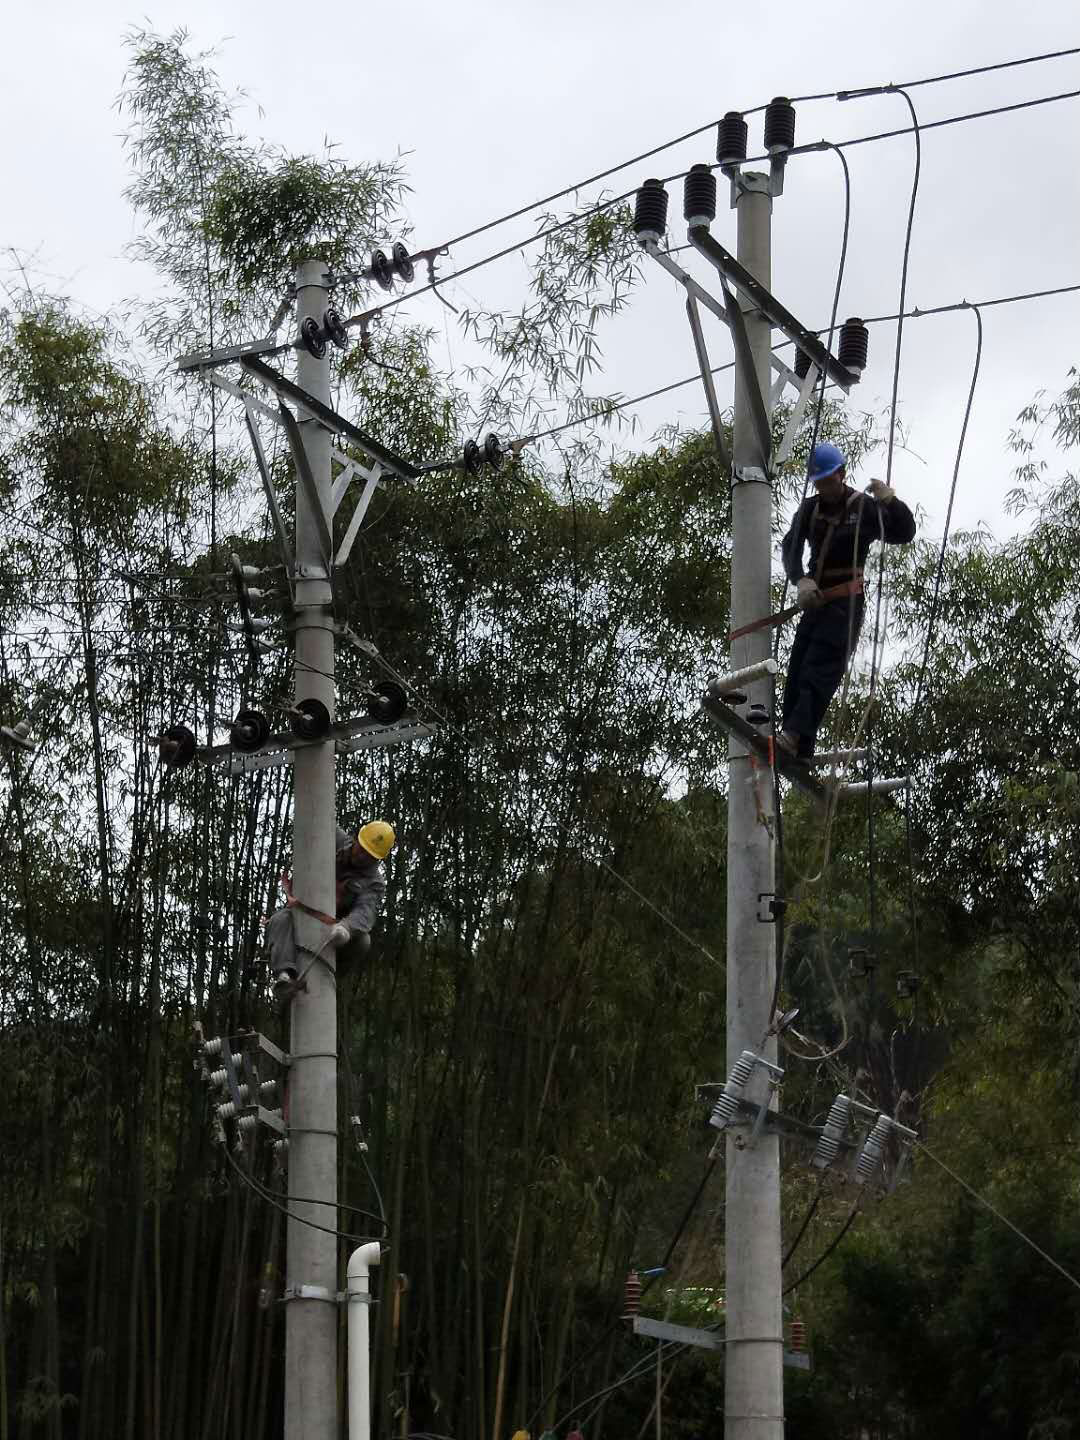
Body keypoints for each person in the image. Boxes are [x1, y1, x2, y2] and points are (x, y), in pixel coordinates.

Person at [778, 441, 916, 759]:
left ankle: (794, 736)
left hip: (844, 604)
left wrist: (891, 501)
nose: (824, 489)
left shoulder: (863, 508)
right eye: (819, 483)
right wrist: (800, 580)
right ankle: (797, 745)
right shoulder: (810, 509)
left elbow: (904, 532)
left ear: (841, 474)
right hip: (815, 600)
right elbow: (791, 546)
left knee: (819, 668)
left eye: (828, 481)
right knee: (798, 669)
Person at [265, 819, 396, 993]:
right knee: (280, 919)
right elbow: (319, 819)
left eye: (369, 856)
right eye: (361, 849)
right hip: (302, 913)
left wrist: (346, 927)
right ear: (357, 839)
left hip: (335, 930)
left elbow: (365, 912)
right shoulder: (336, 839)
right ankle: (284, 976)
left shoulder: (374, 883)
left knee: (363, 942)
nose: (361, 856)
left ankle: (329, 980)